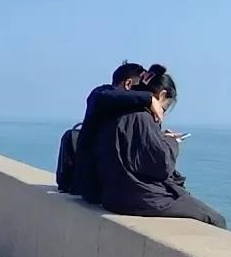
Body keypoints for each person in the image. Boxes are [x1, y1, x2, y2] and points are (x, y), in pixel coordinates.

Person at [93, 67, 227, 228]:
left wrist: (158, 137)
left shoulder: (111, 112)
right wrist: (172, 142)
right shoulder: (142, 117)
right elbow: (161, 165)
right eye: (164, 108)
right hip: (139, 198)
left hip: (112, 196)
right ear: (162, 95)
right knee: (215, 219)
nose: (160, 114)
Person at [67, 62, 166, 203]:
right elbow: (104, 96)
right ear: (128, 84)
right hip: (94, 186)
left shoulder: (121, 107)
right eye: (139, 89)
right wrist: (149, 99)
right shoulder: (101, 95)